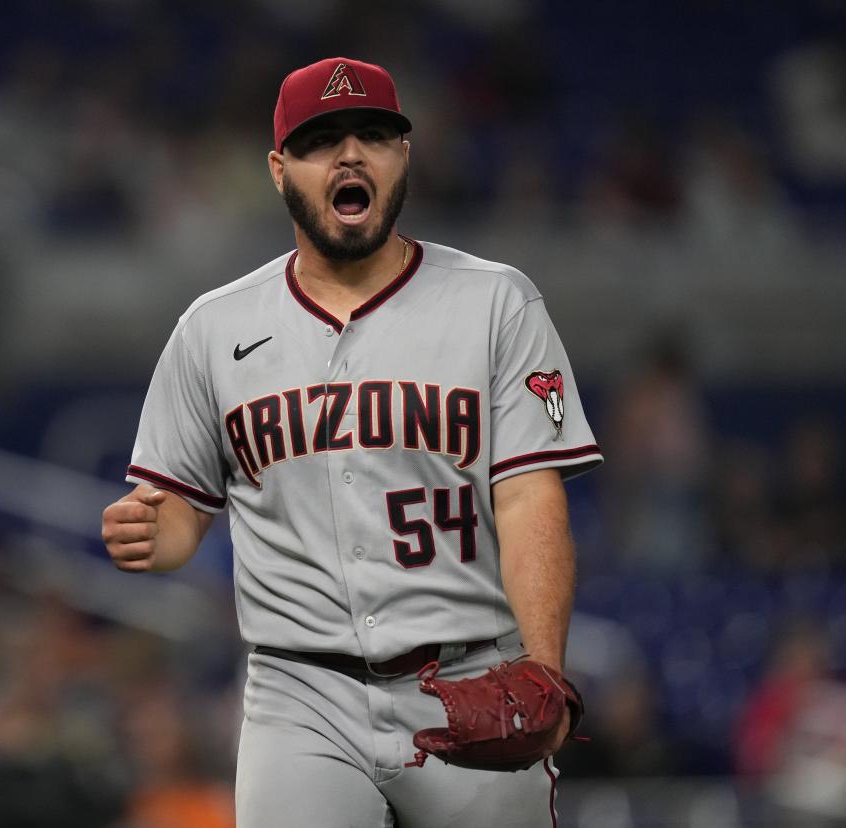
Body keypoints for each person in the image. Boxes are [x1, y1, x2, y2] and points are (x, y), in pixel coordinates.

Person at [102, 57, 603, 827]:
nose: (348, 155)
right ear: (278, 170)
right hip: (301, 695)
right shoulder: (213, 328)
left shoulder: (496, 301)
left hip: (475, 674)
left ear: (404, 154)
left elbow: (531, 498)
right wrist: (150, 531)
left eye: (373, 134)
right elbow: (179, 521)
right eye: (319, 140)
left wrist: (540, 672)